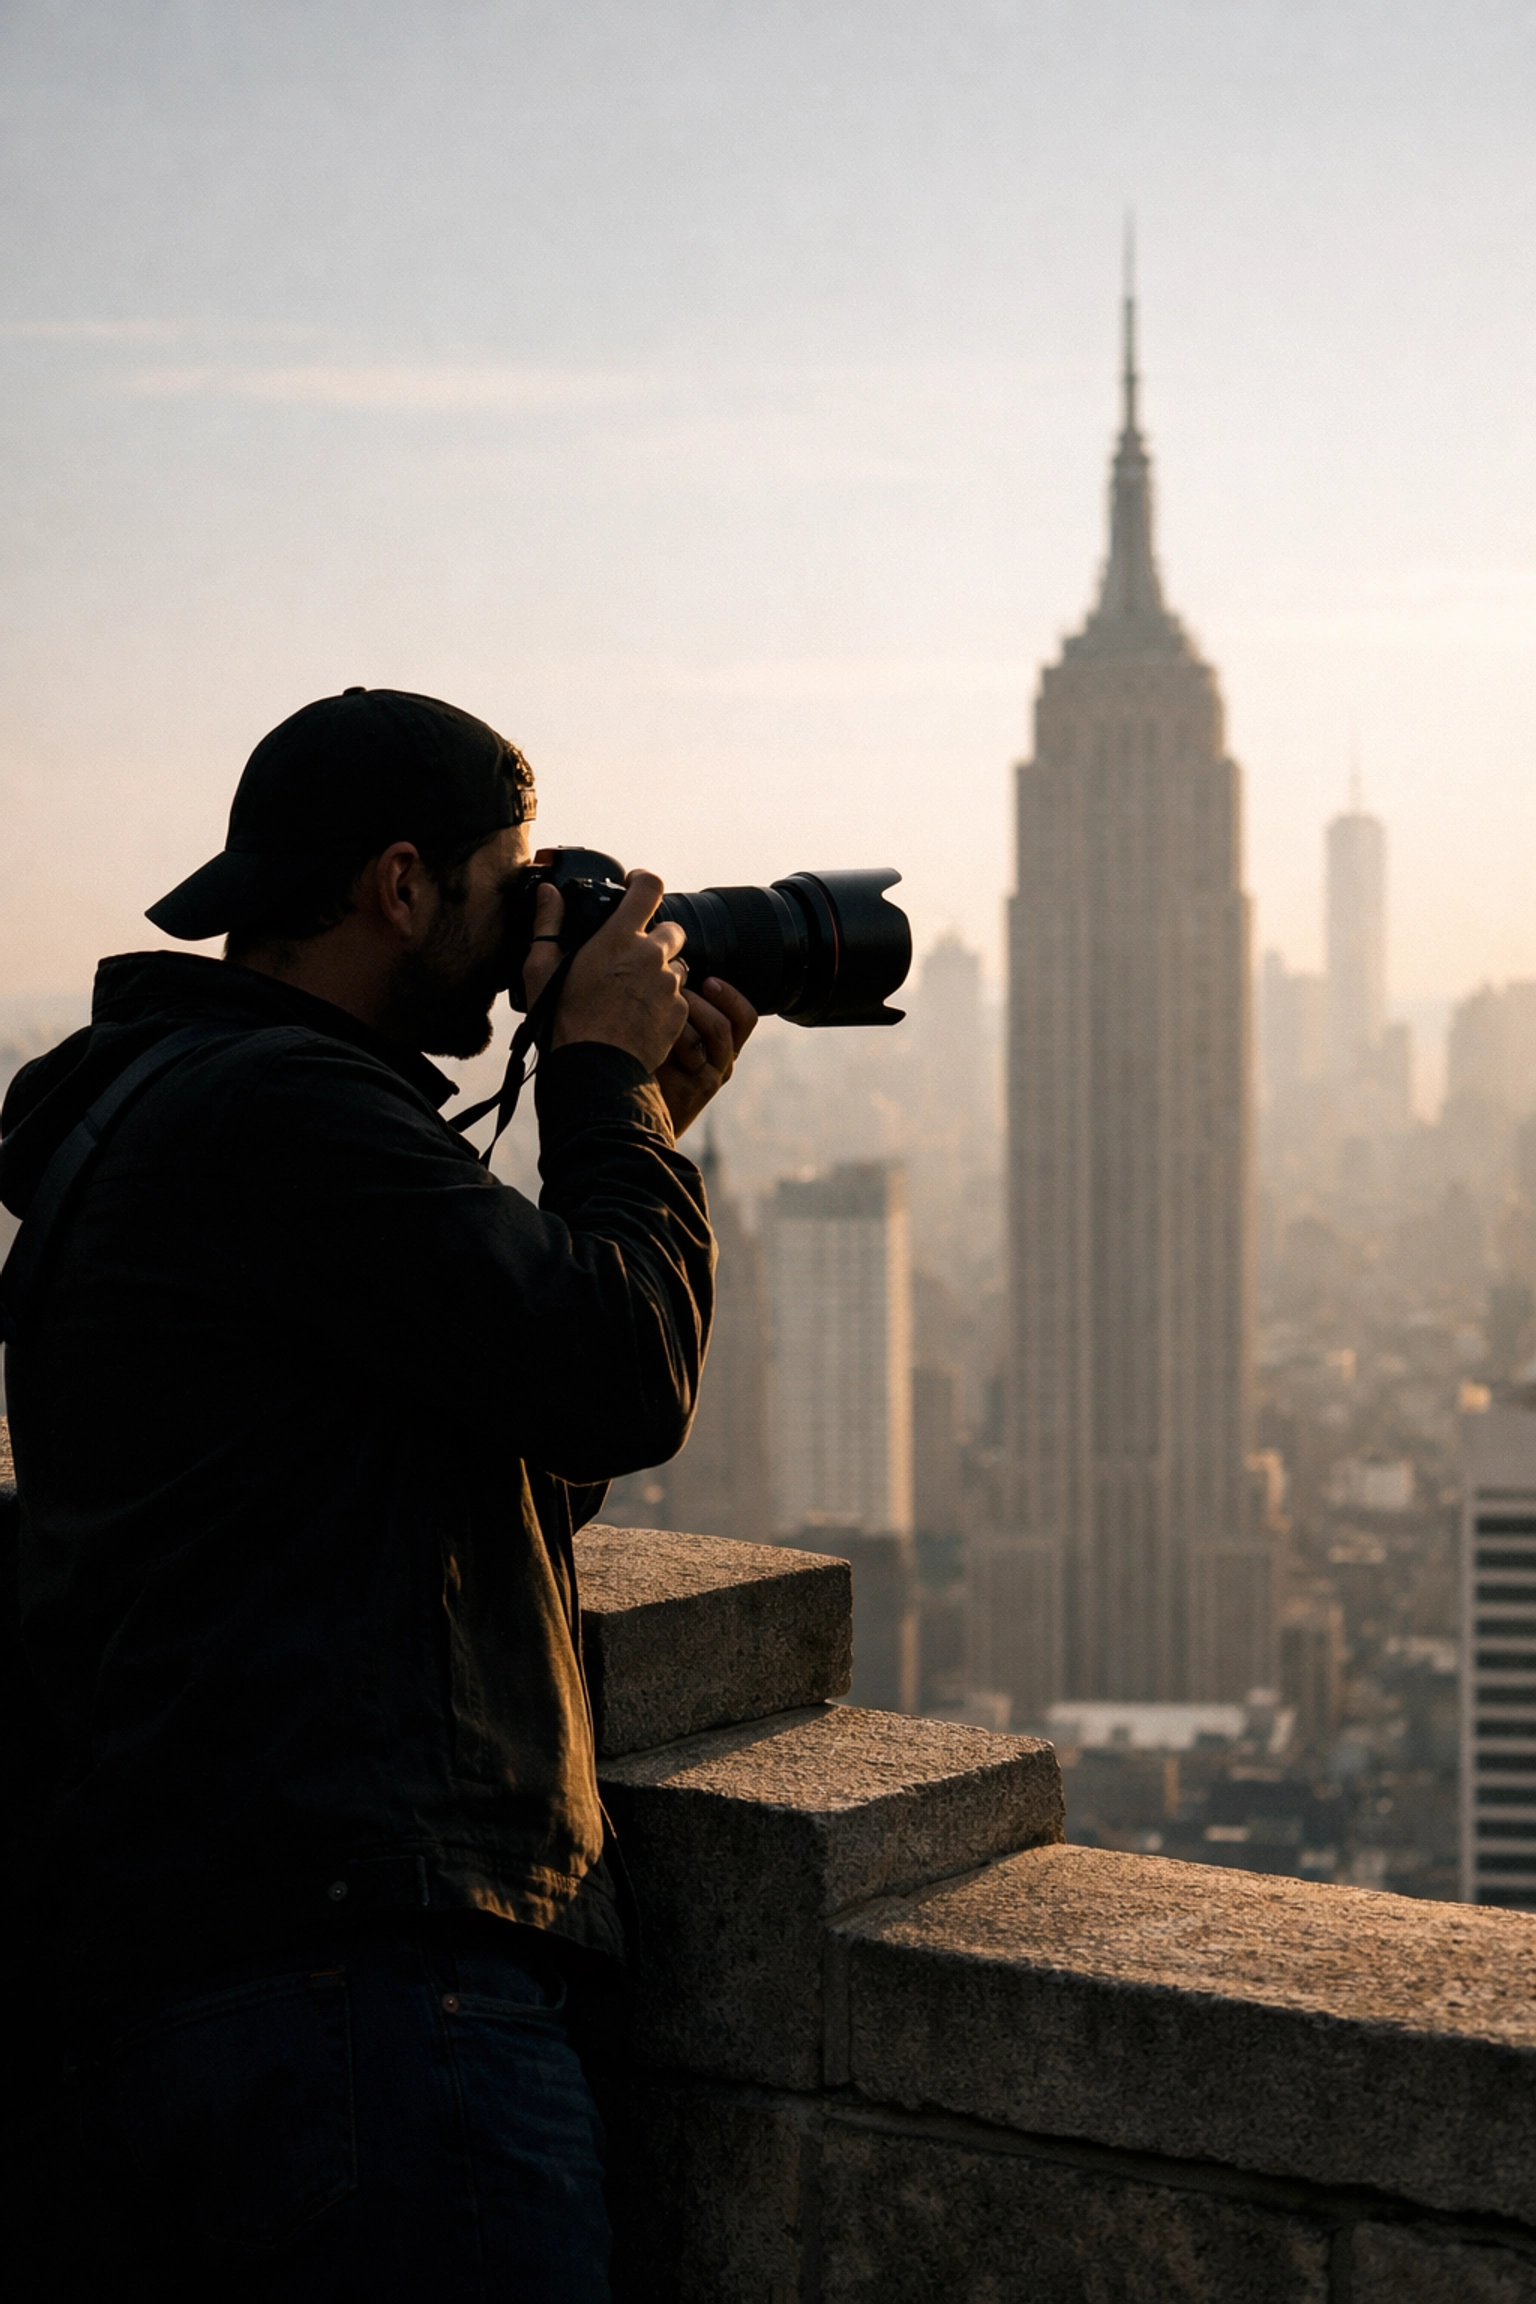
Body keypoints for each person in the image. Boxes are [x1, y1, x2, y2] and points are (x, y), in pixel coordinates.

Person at [0, 687, 755, 2299]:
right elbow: (626, 1371)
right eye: (508, 886)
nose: (523, 937)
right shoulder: (279, 1114)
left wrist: (635, 1125)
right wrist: (605, 1092)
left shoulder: (178, 1114)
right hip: (368, 2003)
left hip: (211, 1988)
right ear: (401, 888)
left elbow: (509, 1459)